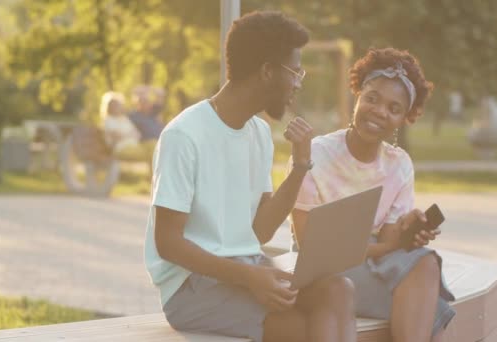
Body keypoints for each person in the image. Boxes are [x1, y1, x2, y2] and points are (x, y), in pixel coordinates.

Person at [144, 11, 356, 342]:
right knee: (304, 329)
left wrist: (301, 165)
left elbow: (259, 230)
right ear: (267, 71)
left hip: (247, 265)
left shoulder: (258, 133)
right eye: (295, 72)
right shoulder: (184, 135)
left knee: (338, 290)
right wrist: (249, 277)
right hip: (190, 288)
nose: (299, 83)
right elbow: (168, 244)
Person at [290, 48, 455, 342]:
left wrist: (406, 231)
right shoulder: (316, 153)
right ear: (358, 95)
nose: (380, 111)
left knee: (426, 261)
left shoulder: (399, 164)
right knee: (433, 308)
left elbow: (391, 240)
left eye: (394, 108)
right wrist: (390, 246)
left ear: (404, 118)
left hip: (375, 262)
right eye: (373, 99)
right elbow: (308, 245)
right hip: (326, 271)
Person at [99, 91, 155, 161]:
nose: (116, 107)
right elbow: (116, 136)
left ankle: (154, 171)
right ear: (108, 107)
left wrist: (126, 134)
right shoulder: (108, 120)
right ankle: (154, 171)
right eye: (114, 105)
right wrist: (129, 134)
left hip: (135, 145)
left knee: (153, 145)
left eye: (118, 105)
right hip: (121, 148)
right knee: (151, 154)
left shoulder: (125, 119)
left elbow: (137, 134)